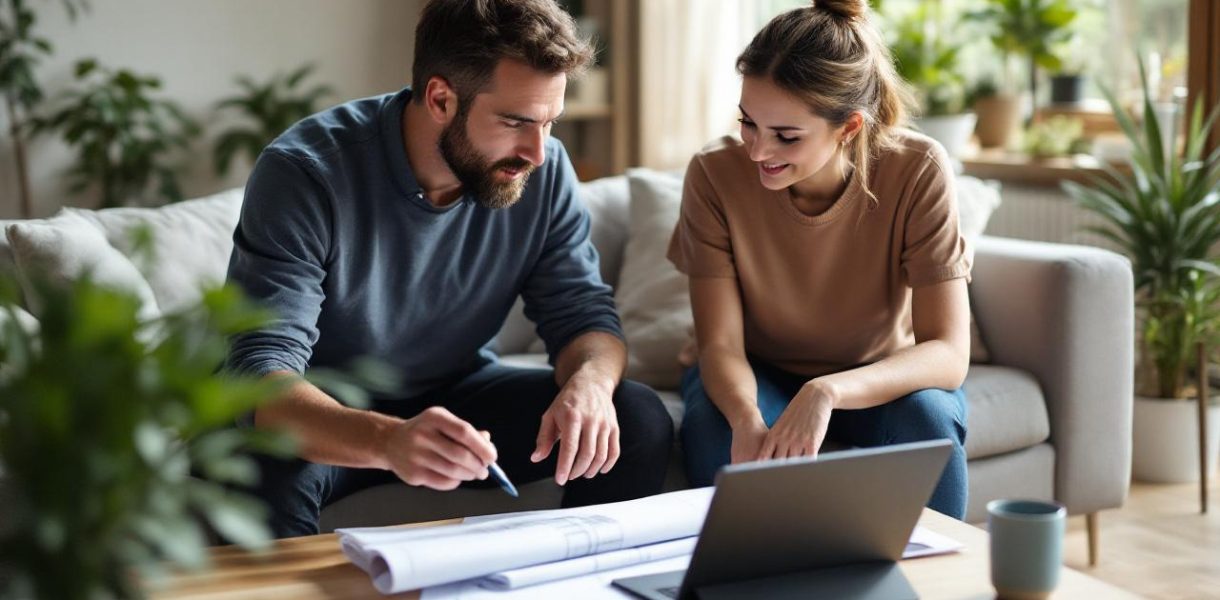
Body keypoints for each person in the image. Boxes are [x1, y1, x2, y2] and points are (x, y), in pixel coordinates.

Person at [225, 0, 672, 538]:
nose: (537, 151)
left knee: (636, 417)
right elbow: (261, 373)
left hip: (458, 392)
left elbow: (583, 314)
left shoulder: (543, 169)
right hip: (327, 406)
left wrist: (591, 384)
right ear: (440, 98)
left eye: (549, 122)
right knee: (263, 470)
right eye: (515, 122)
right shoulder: (305, 173)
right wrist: (389, 439)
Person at [668, 0, 972, 519]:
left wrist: (826, 391)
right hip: (754, 370)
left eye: (786, 136)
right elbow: (719, 344)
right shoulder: (714, 174)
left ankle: (937, 567)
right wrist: (746, 419)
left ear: (849, 128)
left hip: (876, 376)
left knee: (929, 421)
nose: (757, 151)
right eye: (748, 123)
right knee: (717, 437)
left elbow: (947, 351)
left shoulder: (917, 169)